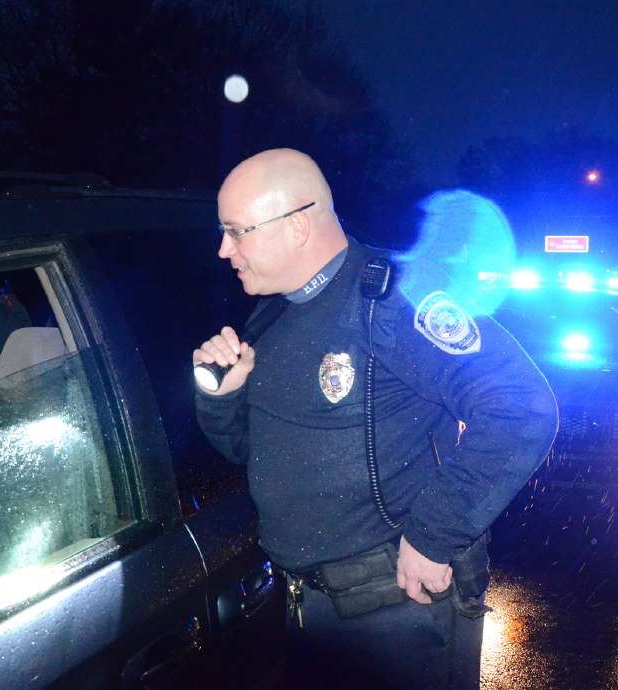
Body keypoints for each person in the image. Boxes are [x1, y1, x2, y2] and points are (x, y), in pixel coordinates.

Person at [193, 149, 558, 689]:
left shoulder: (394, 299)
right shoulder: (273, 312)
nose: (224, 249)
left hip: (394, 613)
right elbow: (250, 451)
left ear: (296, 226)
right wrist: (222, 395)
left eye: (236, 231)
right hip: (308, 608)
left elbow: (521, 407)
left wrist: (436, 532)